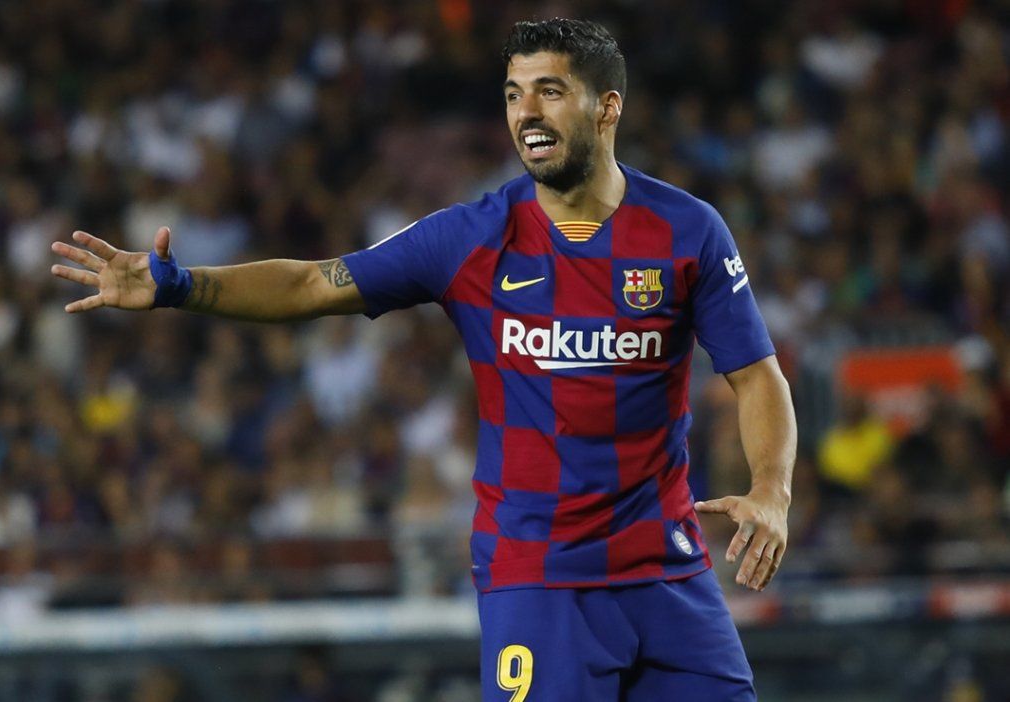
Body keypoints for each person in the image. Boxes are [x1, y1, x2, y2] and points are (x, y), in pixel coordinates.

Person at [52, 18, 795, 702]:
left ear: (607, 108)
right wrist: (182, 286)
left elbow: (756, 374)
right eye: (514, 94)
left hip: (667, 569)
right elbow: (313, 283)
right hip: (540, 577)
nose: (526, 113)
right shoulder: (469, 238)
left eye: (549, 91)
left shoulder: (688, 232)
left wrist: (771, 490)